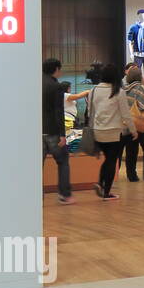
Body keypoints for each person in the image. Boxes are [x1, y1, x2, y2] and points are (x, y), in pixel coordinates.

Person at [86, 63, 135, 200]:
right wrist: (133, 130)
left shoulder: (94, 90)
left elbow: (90, 111)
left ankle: (100, 185)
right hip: (113, 132)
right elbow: (126, 115)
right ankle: (106, 192)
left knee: (108, 160)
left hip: (97, 130)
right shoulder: (119, 92)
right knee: (111, 160)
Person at [43, 58, 87, 205]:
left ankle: (37, 194)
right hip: (53, 131)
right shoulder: (56, 86)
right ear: (56, 69)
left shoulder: (36, 82)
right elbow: (58, 111)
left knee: (37, 166)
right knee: (63, 162)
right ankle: (64, 194)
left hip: (38, 131)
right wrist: (62, 134)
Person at [122, 65, 144, 183]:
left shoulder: (125, 89)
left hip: (129, 125)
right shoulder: (140, 88)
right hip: (141, 125)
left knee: (131, 151)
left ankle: (131, 175)